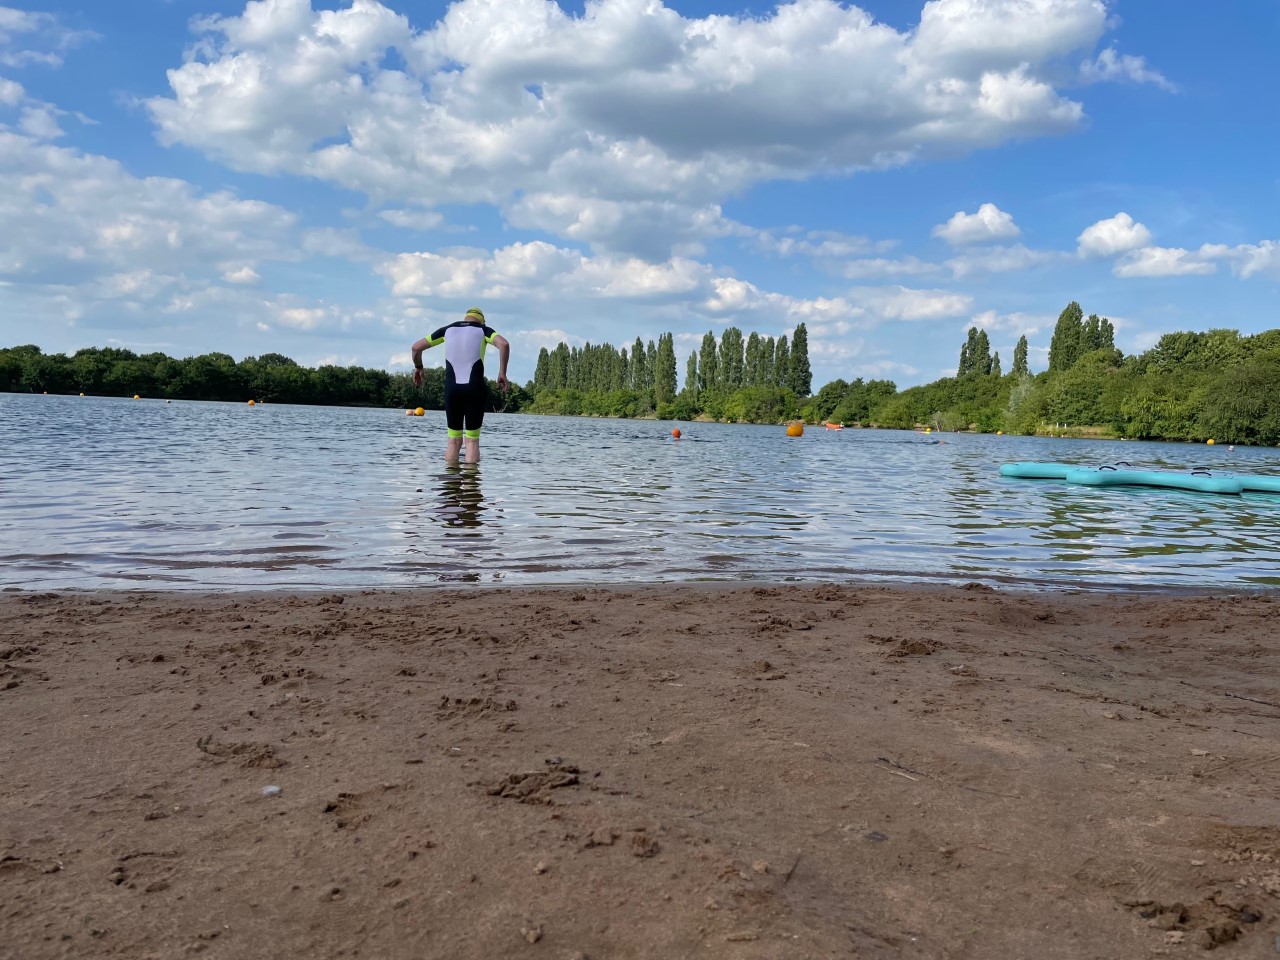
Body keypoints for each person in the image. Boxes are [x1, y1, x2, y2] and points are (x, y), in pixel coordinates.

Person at [412, 307, 510, 464]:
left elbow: (416, 347)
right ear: (481, 320)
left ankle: (451, 485)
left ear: (466, 318)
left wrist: (418, 368)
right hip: (475, 389)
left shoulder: (447, 330)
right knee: (471, 441)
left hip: (452, 390)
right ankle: (471, 484)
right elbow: (504, 344)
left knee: (453, 440)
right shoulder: (484, 330)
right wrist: (502, 373)